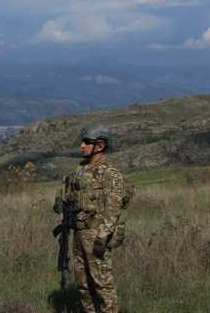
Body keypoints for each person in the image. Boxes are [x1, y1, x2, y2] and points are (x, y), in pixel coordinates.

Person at [53, 124, 125, 313]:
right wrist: (62, 208)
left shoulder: (110, 172)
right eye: (82, 142)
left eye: (87, 142)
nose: (82, 146)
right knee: (83, 284)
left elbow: (114, 207)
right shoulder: (80, 169)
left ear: (99, 146)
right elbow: (69, 195)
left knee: (102, 285)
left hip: (96, 235)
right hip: (78, 233)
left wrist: (103, 236)